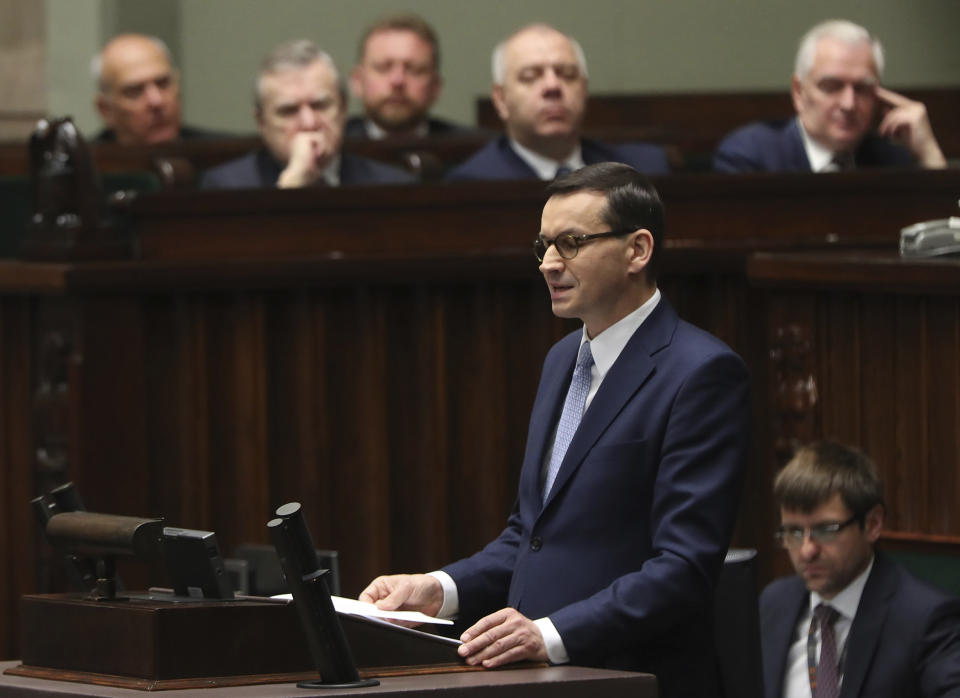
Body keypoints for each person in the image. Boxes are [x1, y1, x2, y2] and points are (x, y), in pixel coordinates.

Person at [360, 163, 749, 697]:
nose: (548, 264)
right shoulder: (563, 359)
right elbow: (532, 536)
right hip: (543, 681)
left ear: (638, 250)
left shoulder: (700, 372)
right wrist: (437, 589)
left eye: (570, 243)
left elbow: (683, 567)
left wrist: (550, 634)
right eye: (543, 245)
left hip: (634, 678)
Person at [761, 441, 960, 698]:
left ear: (873, 524)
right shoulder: (773, 604)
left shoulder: (926, 620)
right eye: (794, 532)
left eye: (825, 530)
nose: (806, 551)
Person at [714, 20, 947, 172]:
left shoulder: (892, 161)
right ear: (799, 92)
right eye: (831, 86)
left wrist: (930, 154)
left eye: (862, 88)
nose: (848, 103)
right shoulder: (750, 156)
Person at [446, 25, 669, 180]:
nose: (553, 86)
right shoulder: (473, 182)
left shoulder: (641, 170)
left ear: (584, 90)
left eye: (568, 74)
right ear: (501, 99)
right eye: (531, 76)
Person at [200, 39, 414, 189]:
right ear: (261, 122)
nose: (309, 123)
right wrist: (292, 184)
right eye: (288, 111)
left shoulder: (393, 185)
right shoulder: (226, 186)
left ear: (343, 109)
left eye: (321, 105)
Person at [346, 14, 466, 139]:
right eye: (383, 68)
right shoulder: (333, 149)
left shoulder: (472, 150)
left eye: (414, 70)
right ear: (357, 82)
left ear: (436, 87)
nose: (398, 81)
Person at [91, 34, 224, 145]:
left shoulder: (226, 156)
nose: (156, 101)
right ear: (105, 110)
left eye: (163, 83)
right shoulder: (81, 169)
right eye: (135, 91)